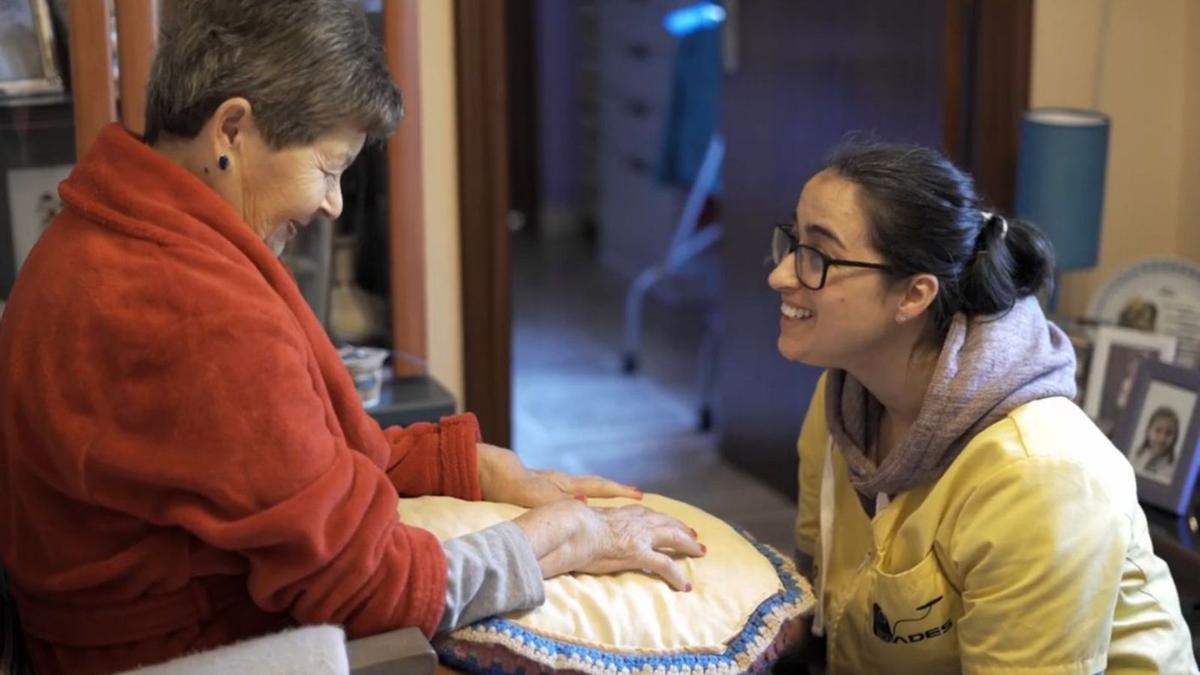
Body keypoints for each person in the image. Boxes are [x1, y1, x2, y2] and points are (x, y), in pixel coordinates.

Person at [0, 2, 703, 674]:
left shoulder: (95, 235)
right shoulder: (197, 313)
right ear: (232, 131)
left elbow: (285, 462)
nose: (333, 202)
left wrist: (473, 465)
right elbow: (370, 591)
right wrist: (568, 535)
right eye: (328, 169)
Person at [773, 143, 1197, 672]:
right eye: (791, 242)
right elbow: (815, 600)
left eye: (819, 255)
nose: (781, 275)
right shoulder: (845, 398)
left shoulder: (1039, 475)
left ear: (914, 295)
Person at [1132, 406, 1182, 485]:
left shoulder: (1175, 469)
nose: (1162, 438)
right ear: (1148, 431)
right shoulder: (1136, 455)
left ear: (1175, 438)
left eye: (1168, 433)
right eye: (1158, 430)